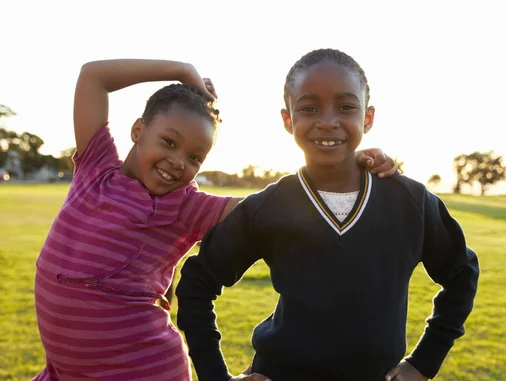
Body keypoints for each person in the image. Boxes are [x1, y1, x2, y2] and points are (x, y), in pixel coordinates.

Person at [31, 58, 397, 381]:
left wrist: (349, 164)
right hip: (65, 371)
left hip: (142, 368)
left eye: (195, 157)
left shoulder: (187, 207)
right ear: (138, 131)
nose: (179, 162)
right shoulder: (97, 168)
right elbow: (93, 76)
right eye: (169, 142)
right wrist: (180, 70)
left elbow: (277, 206)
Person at [176, 48, 480, 381]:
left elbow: (461, 273)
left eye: (346, 107)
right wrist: (215, 376)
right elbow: (197, 283)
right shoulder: (270, 205)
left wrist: (425, 361)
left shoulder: (410, 201)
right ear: (288, 120)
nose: (327, 121)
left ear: (368, 117)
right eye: (309, 108)